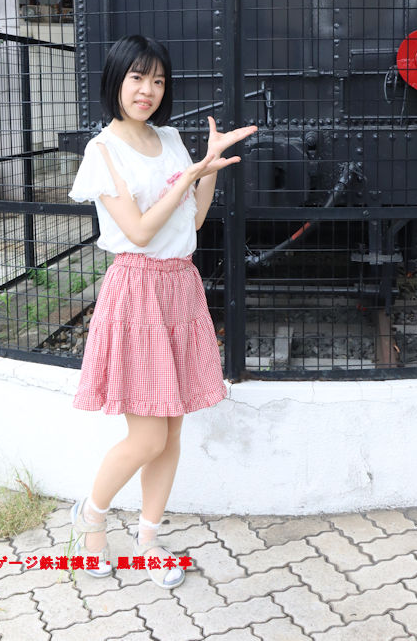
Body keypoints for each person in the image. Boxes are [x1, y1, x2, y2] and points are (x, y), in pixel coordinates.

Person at [67, 34, 256, 587]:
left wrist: (209, 166)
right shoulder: (102, 152)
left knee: (171, 435)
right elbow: (142, 231)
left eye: (158, 81)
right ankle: (91, 517)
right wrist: (190, 176)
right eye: (137, 78)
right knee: (146, 437)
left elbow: (191, 223)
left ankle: (148, 540)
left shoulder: (170, 138)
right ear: (116, 80)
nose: (147, 90)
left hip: (180, 287)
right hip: (138, 290)